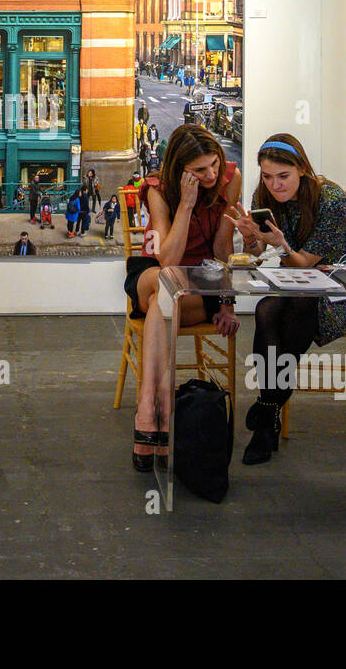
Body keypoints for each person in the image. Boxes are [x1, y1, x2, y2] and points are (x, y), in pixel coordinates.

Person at [228, 133, 346, 466]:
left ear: (301, 168)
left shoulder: (330, 199)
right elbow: (261, 252)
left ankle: (268, 411)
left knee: (298, 307)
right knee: (266, 309)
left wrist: (283, 246)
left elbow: (303, 261)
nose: (275, 184)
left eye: (283, 176)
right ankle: (270, 408)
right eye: (268, 176)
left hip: (336, 293)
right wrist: (251, 240)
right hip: (295, 284)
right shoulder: (264, 196)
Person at [124, 124, 241, 471]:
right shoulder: (158, 190)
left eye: (214, 165)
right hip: (156, 273)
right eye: (200, 170)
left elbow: (222, 248)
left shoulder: (228, 181)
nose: (211, 175)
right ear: (180, 169)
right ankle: (156, 406)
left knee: (165, 301)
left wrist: (226, 302)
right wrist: (187, 206)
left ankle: (152, 412)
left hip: (196, 284)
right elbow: (167, 259)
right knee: (163, 285)